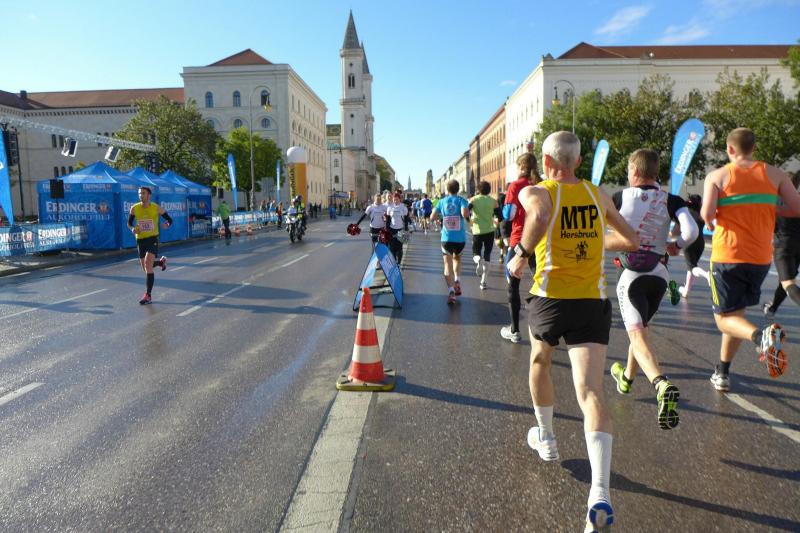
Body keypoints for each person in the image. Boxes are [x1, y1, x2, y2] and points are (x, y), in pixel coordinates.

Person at [507, 131, 639, 533]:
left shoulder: (536, 191)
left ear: (546, 163)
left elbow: (539, 218)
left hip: (550, 297)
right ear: (578, 162)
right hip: (590, 302)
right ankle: (600, 492)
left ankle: (546, 435)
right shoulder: (599, 196)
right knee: (591, 392)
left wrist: (520, 255)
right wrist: (596, 242)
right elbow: (630, 240)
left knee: (540, 361)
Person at [702, 128, 800, 391]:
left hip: (727, 256)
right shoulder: (775, 174)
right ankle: (723, 372)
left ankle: (760, 337)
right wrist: (767, 207)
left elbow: (707, 214)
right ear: (754, 148)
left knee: (724, 319)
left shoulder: (718, 176)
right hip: (759, 258)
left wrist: (712, 218)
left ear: (729, 149)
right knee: (737, 316)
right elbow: (796, 207)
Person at [609, 149, 699, 430]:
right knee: (640, 331)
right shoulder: (671, 200)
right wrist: (676, 246)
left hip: (631, 276)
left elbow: (600, 229)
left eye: (628, 170)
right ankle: (626, 379)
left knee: (637, 335)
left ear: (634, 172)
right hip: (659, 275)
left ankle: (660, 384)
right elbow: (692, 231)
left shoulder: (619, 197)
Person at [501, 153, 542, 343]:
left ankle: (515, 330)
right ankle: (547, 325)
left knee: (513, 284)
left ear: (520, 167)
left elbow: (509, 215)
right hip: (540, 240)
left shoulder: (515, 186)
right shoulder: (541, 184)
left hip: (519, 239)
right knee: (542, 281)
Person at [127, 186, 172, 305]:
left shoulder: (156, 207)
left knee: (148, 264)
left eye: (143, 193)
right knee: (146, 268)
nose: (141, 195)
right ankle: (160, 263)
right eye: (139, 193)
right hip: (140, 240)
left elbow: (169, 219)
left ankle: (148, 295)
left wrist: (167, 224)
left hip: (152, 238)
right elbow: (129, 223)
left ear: (149, 195)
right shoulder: (134, 208)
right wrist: (132, 229)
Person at [764, 172, 800, 318]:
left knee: (788, 283)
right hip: (797, 246)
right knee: (787, 279)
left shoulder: (776, 202)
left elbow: (770, 226)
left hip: (784, 246)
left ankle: (773, 308)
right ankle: (773, 308)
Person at [431, 179, 470, 305]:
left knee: (447, 265)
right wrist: (465, 213)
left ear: (447, 190)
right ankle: (457, 281)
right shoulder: (462, 200)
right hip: (460, 239)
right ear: (458, 189)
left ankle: (451, 291)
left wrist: (443, 216)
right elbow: (465, 214)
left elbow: (432, 217)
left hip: (446, 238)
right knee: (457, 259)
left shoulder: (442, 201)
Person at [672, 194, 709, 298]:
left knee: (692, 267)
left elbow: (675, 231)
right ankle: (686, 290)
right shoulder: (701, 214)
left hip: (689, 241)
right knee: (692, 266)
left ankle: (707, 275)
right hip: (700, 242)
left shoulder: (685, 214)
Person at [469, 180, 499, 290]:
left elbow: (466, 212)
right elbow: (500, 216)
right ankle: (483, 282)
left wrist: (469, 221)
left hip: (477, 231)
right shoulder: (493, 201)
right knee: (487, 256)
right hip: (490, 231)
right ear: (489, 190)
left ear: (478, 189)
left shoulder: (473, 200)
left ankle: (478, 260)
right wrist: (496, 222)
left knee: (476, 253)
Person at [386, 192, 409, 264]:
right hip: (392, 230)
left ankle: (398, 263)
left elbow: (406, 219)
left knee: (399, 248)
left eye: (397, 199)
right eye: (394, 199)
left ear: (400, 199)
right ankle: (394, 262)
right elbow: (388, 220)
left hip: (400, 229)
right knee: (392, 248)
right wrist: (387, 229)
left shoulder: (403, 207)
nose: (395, 201)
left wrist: (406, 229)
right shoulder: (390, 207)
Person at [494, 191, 507, 265]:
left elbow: (495, 218)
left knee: (499, 242)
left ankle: (502, 254)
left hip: (498, 227)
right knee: (504, 241)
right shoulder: (506, 207)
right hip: (505, 226)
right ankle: (502, 254)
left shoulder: (496, 208)